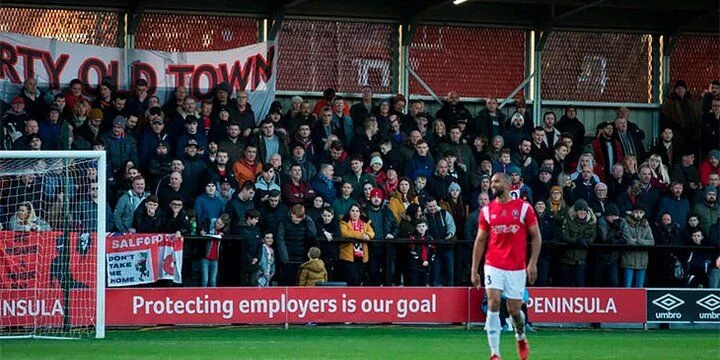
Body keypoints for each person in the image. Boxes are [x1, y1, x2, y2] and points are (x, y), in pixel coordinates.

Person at [471, 173, 541, 360]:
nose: (492, 185)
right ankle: (495, 353)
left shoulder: (524, 208)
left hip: (516, 267)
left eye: (496, 181)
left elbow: (536, 236)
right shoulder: (487, 210)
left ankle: (520, 336)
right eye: (491, 182)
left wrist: (532, 263)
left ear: (508, 185)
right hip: (493, 264)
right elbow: (480, 240)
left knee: (514, 311)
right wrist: (474, 270)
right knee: (493, 302)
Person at [338, 204, 375, 286]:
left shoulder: (365, 221)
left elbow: (372, 232)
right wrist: (362, 236)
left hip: (362, 256)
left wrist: (368, 236)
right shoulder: (344, 221)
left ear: (360, 213)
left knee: (359, 279)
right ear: (349, 212)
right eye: (353, 211)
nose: (355, 213)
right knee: (353, 279)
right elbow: (346, 233)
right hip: (348, 257)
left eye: (357, 211)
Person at [201, 214, 229, 288]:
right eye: (217, 222)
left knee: (213, 280)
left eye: (220, 224)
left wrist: (224, 234)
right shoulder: (209, 226)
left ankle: (213, 298)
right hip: (206, 257)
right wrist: (203, 232)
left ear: (224, 225)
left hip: (215, 259)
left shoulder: (224, 232)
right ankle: (202, 296)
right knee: (205, 280)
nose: (217, 225)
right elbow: (204, 229)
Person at [408, 217, 435, 286]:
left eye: (423, 226)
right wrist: (421, 261)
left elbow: (433, 251)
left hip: (426, 265)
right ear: (416, 228)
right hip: (415, 266)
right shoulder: (412, 237)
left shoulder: (430, 237)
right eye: (419, 226)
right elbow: (412, 251)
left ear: (427, 227)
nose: (421, 228)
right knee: (414, 285)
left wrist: (428, 261)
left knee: (423, 285)